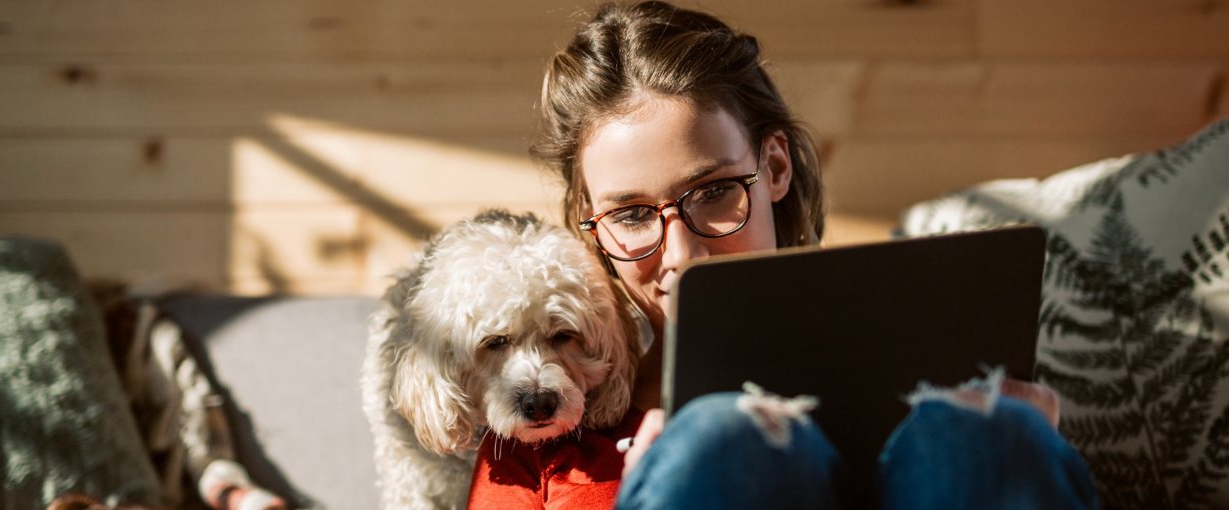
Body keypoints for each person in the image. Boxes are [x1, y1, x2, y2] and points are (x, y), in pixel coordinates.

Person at [466, 2, 1100, 509]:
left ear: (773, 167)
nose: (684, 255)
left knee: (983, 434)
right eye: (631, 214)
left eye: (713, 193)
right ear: (591, 226)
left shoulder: (940, 408)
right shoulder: (541, 426)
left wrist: (1025, 451)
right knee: (725, 439)